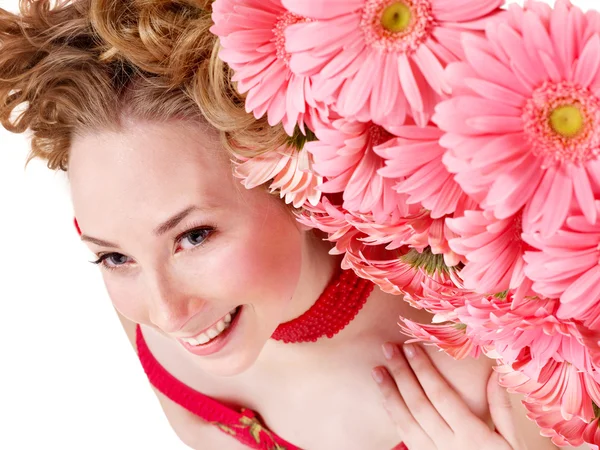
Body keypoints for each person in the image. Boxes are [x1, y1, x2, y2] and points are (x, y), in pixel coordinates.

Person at [0, 1, 563, 449]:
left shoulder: (495, 358)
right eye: (112, 257)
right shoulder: (154, 284)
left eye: (193, 237)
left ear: (289, 172)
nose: (165, 313)